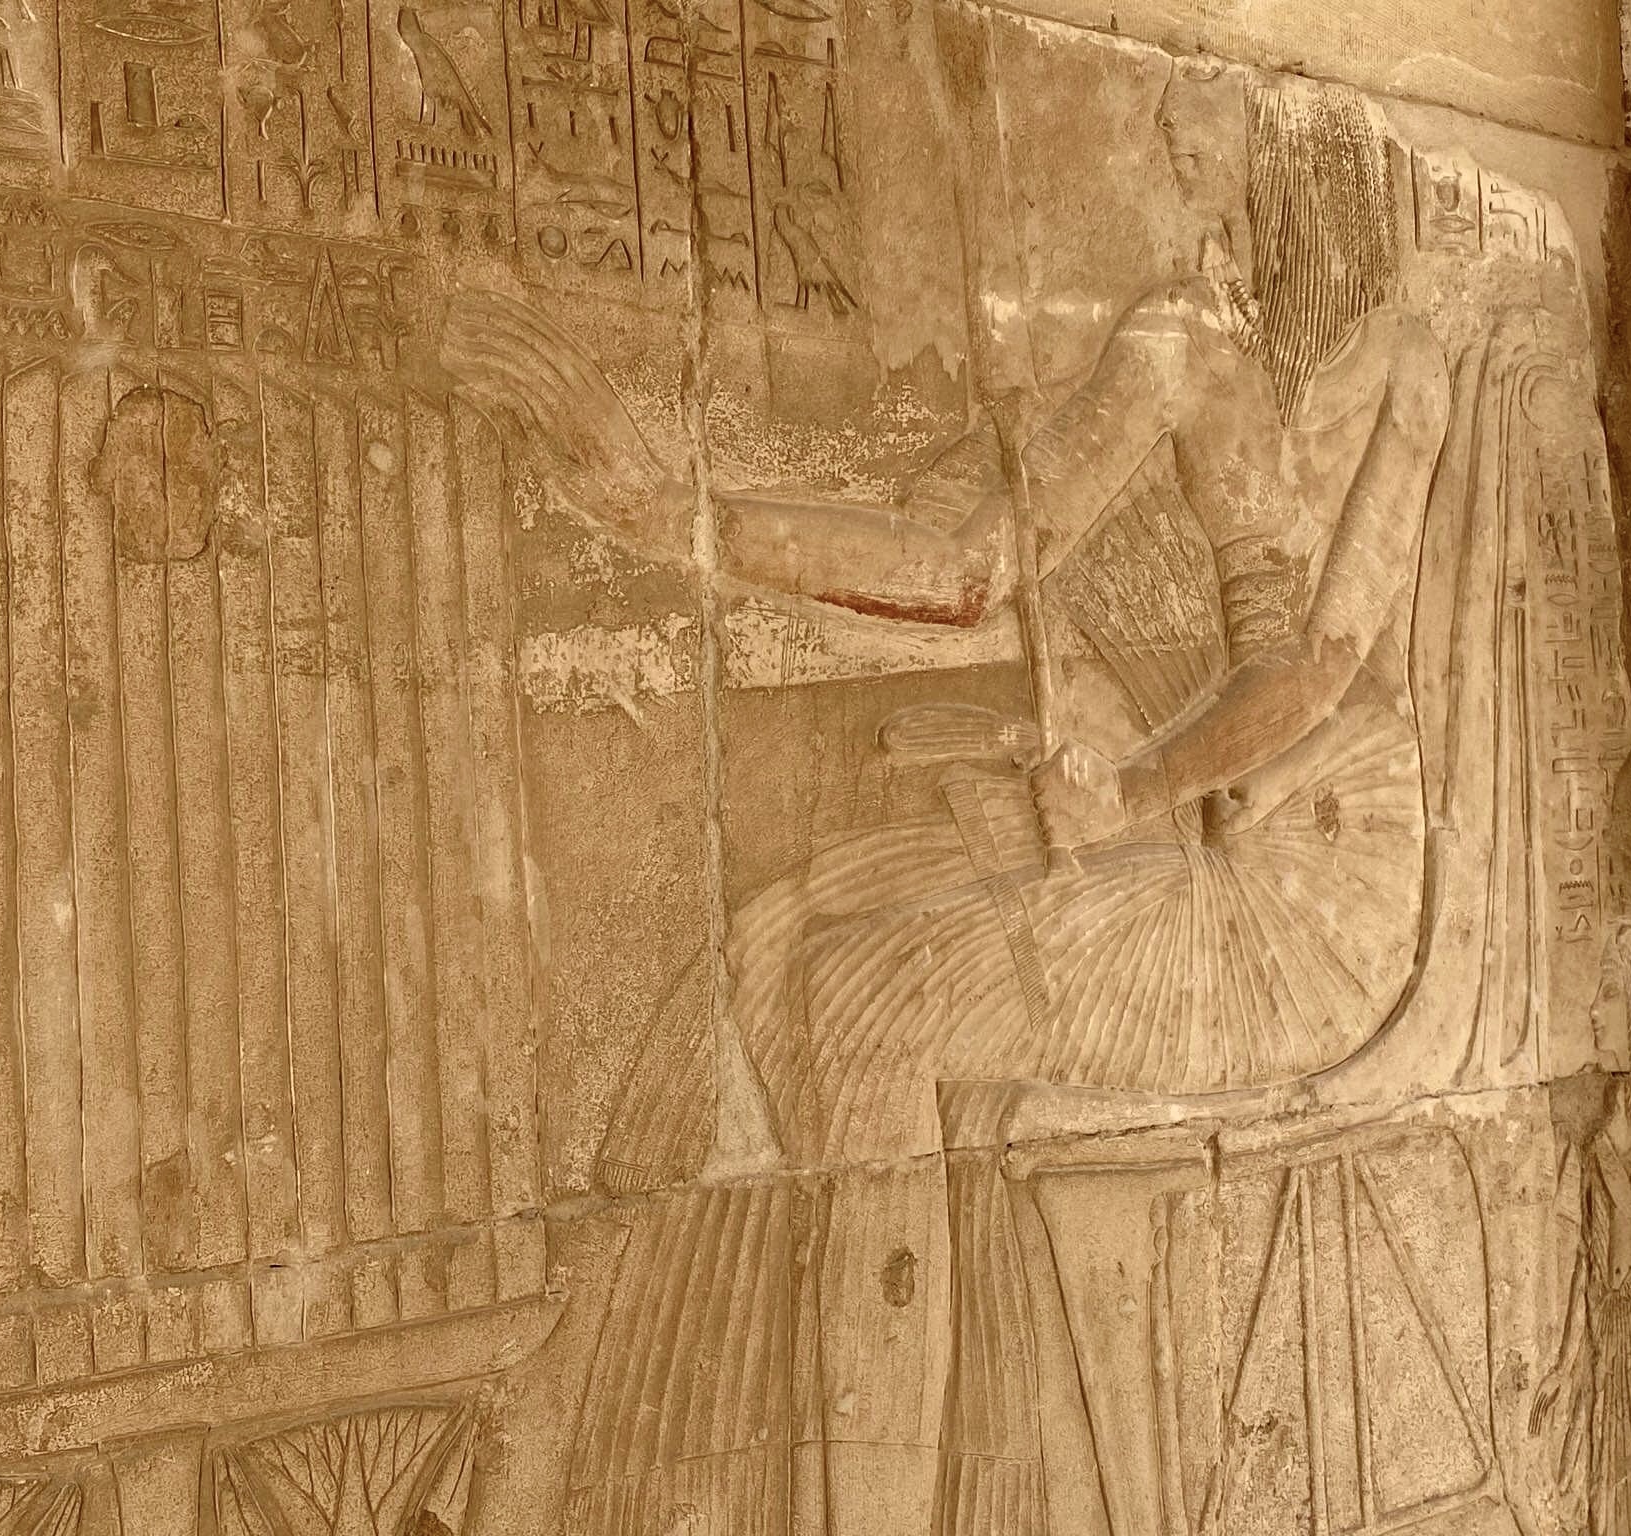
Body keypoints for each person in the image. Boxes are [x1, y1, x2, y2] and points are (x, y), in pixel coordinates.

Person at [444, 59, 1451, 1536]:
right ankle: (866, 1456)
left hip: (1298, 880)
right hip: (1242, 839)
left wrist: (1130, 786)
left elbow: (1307, 661)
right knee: (776, 939)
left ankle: (876, 1500)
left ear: (1283, 164)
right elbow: (986, 575)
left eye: (1199, 149)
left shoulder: (1327, 354)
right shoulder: (1222, 342)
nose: (1175, 172)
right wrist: (685, 519)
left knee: (858, 1011)